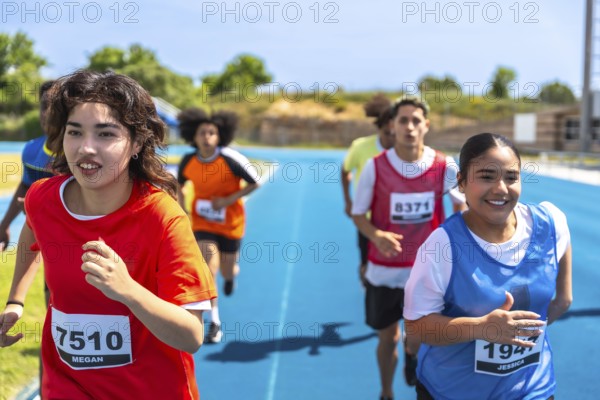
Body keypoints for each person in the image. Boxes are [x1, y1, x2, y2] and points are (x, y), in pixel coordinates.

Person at [0, 70, 216, 400]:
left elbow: (191, 335)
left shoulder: (162, 216)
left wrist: (127, 290)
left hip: (151, 390)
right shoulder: (43, 198)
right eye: (75, 132)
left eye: (105, 134)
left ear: (137, 143)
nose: (86, 148)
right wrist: (16, 301)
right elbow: (33, 230)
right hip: (66, 386)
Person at [403, 132, 573, 400]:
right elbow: (415, 326)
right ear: (461, 183)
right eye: (486, 176)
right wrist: (481, 327)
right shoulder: (441, 246)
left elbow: (564, 301)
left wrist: (513, 337)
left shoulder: (553, 222)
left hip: (532, 390)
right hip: (453, 391)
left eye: (511, 177)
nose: (501, 189)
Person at [351, 96, 466, 400]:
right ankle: (386, 391)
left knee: (417, 337)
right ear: (393, 126)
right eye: (403, 120)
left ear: (426, 125)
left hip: (429, 271)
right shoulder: (375, 168)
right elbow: (358, 215)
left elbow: (463, 209)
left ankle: (412, 356)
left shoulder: (444, 166)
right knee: (387, 338)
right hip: (385, 272)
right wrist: (376, 235)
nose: (409, 127)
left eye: (416, 120)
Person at [177, 107, 259, 344]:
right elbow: (180, 184)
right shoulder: (188, 161)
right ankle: (214, 322)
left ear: (219, 136)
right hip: (203, 224)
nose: (206, 137)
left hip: (231, 224)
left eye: (211, 133)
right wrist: (183, 208)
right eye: (202, 133)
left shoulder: (231, 159)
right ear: (193, 136)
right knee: (207, 270)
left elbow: (254, 182)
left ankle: (232, 275)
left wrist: (228, 200)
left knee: (226, 270)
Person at [341, 93, 395, 286]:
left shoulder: (404, 151)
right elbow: (345, 170)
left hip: (396, 217)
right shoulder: (361, 147)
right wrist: (348, 201)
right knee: (367, 266)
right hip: (368, 219)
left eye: (394, 134)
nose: (391, 139)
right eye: (387, 134)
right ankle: (369, 297)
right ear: (379, 129)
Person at [0, 80, 55, 252]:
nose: (48, 113)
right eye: (44, 105)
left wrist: (39, 205)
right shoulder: (31, 149)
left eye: (56, 107)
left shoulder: (82, 155)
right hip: (47, 240)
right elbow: (26, 185)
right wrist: (5, 225)